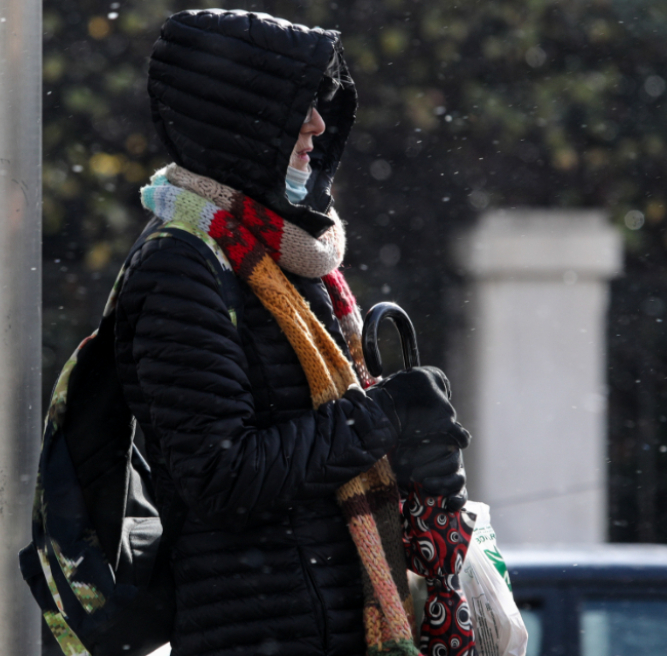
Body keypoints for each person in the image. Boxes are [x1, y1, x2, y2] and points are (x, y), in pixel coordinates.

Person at [114, 10, 470, 656]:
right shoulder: (183, 265)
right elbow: (222, 473)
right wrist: (385, 416)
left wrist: (420, 439)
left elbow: (327, 444)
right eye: (296, 107)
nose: (316, 123)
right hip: (253, 635)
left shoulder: (285, 255)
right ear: (240, 119)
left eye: (318, 104)